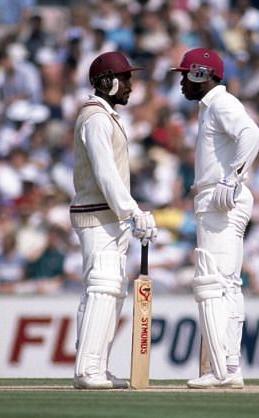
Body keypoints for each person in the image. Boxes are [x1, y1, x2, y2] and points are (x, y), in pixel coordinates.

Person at [170, 48, 259, 389]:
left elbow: (252, 135)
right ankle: (229, 366)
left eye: (185, 75)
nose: (181, 82)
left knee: (215, 284)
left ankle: (221, 371)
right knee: (227, 285)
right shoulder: (210, 108)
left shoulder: (222, 103)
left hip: (221, 199)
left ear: (200, 74)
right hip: (218, 198)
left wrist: (232, 178)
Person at [70, 51, 157, 390]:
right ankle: (87, 369)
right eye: (126, 79)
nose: (131, 87)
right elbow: (106, 174)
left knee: (110, 291)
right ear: (107, 81)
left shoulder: (105, 116)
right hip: (98, 215)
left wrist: (128, 214)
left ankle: (97, 367)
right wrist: (132, 211)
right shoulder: (95, 118)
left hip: (108, 216)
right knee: (102, 288)